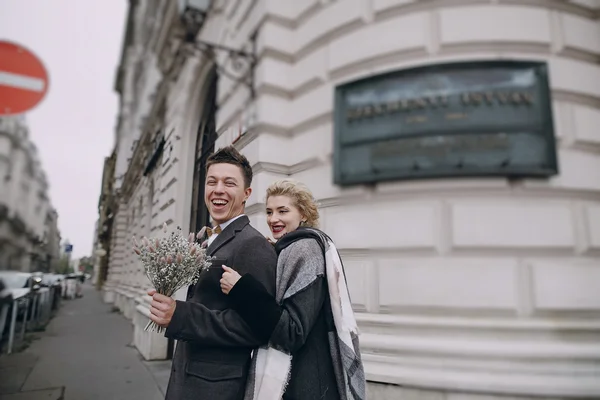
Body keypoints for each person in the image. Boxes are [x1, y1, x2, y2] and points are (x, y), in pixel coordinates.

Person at [148, 146, 278, 400]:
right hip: (189, 378)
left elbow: (257, 327)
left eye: (229, 183)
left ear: (246, 194)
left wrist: (180, 315)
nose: (218, 189)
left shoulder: (252, 244)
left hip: (216, 388)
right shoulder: (208, 238)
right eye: (212, 182)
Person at [220, 179, 366, 400]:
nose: (273, 219)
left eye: (283, 211)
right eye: (269, 212)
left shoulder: (305, 250)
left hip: (305, 384)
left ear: (304, 214)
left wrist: (242, 289)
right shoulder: (288, 249)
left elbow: (292, 332)